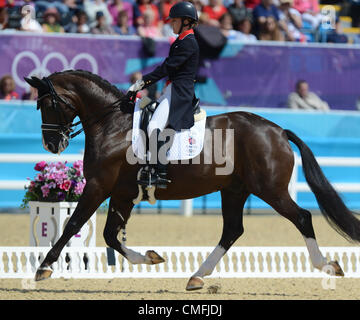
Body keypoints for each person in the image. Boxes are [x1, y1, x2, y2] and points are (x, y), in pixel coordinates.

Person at [127, 1, 199, 188]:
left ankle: (160, 172)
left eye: (174, 21)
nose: (170, 24)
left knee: (154, 127)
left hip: (179, 92)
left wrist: (142, 82)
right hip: (171, 89)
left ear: (186, 21)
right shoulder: (180, 41)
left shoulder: (189, 43)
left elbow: (167, 67)